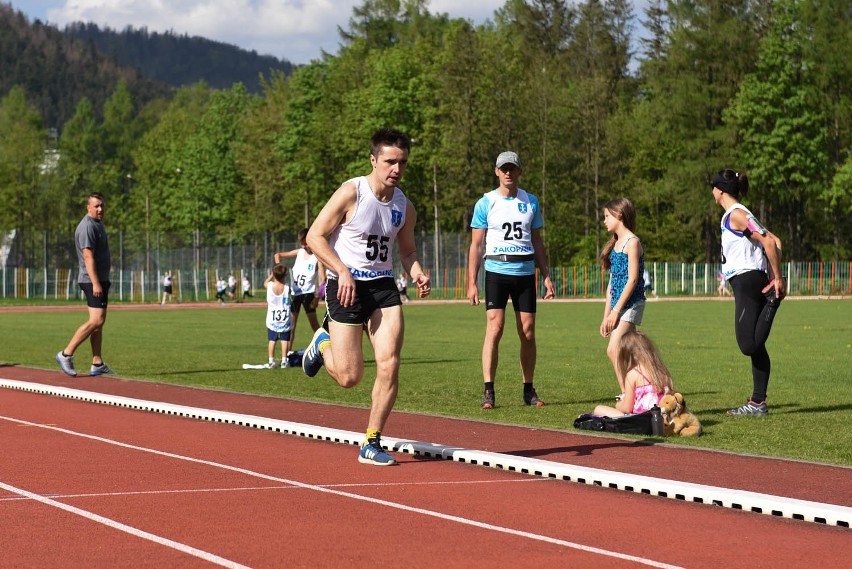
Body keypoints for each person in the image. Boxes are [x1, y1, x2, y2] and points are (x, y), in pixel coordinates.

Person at [300, 127, 431, 466]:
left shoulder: (405, 206)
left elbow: (406, 252)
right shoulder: (351, 193)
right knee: (349, 377)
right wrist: (341, 270)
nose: (396, 169)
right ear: (373, 160)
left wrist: (415, 270)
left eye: (402, 162)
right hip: (347, 286)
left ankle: (371, 442)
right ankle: (322, 343)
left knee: (389, 363)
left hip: (384, 288)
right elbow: (315, 236)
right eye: (389, 161)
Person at [467, 151, 556, 410]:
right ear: (496, 171)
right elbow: (475, 245)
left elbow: (537, 241)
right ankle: (488, 390)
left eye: (512, 168)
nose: (508, 172)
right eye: (503, 168)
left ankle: (528, 390)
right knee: (494, 328)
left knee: (527, 332)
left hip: (525, 271)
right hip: (496, 270)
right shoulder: (485, 202)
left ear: (519, 171)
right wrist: (471, 281)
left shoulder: (531, 201)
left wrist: (546, 275)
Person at [711, 169, 784, 416]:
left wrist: (777, 279)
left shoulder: (737, 214)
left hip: (747, 279)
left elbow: (770, 243)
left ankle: (773, 302)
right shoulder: (738, 214)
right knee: (756, 346)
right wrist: (773, 275)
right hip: (748, 279)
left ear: (720, 190)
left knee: (748, 344)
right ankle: (757, 403)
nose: (712, 191)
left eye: (713, 187)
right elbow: (775, 240)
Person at [55, 192, 115, 377]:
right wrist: (96, 283)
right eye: (96, 206)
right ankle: (66, 353)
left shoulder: (98, 224)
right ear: (88, 208)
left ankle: (97, 362)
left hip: (100, 279)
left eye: (102, 205)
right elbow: (88, 256)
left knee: (99, 323)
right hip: (92, 280)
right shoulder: (87, 227)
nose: (100, 209)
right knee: (96, 320)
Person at [600, 197, 646, 396]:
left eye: (607, 216)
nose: (604, 221)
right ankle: (644, 390)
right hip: (618, 306)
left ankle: (627, 394)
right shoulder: (616, 244)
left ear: (619, 215)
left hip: (632, 304)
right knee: (633, 353)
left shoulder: (632, 242)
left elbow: (632, 280)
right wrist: (606, 315)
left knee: (613, 349)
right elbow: (612, 283)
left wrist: (616, 312)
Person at [591, 330, 673, 417]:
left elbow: (627, 408)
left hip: (642, 420)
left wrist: (619, 404)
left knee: (599, 409)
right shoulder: (662, 371)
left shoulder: (633, 374)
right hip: (663, 418)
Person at [274, 227, 326, 344]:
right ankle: (285, 357)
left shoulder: (317, 257)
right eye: (301, 244)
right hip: (295, 293)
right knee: (291, 327)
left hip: (308, 295)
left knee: (315, 326)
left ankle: (327, 350)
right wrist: (279, 267)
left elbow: (323, 278)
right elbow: (278, 255)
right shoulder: (299, 252)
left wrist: (317, 297)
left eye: (305, 244)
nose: (303, 246)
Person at [263, 264, 292, 368]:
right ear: (285, 275)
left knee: (272, 340)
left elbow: (265, 283)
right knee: (285, 339)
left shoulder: (270, 286)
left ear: (274, 275)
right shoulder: (287, 287)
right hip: (285, 316)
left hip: (272, 317)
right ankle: (284, 360)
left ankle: (271, 361)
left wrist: (272, 275)